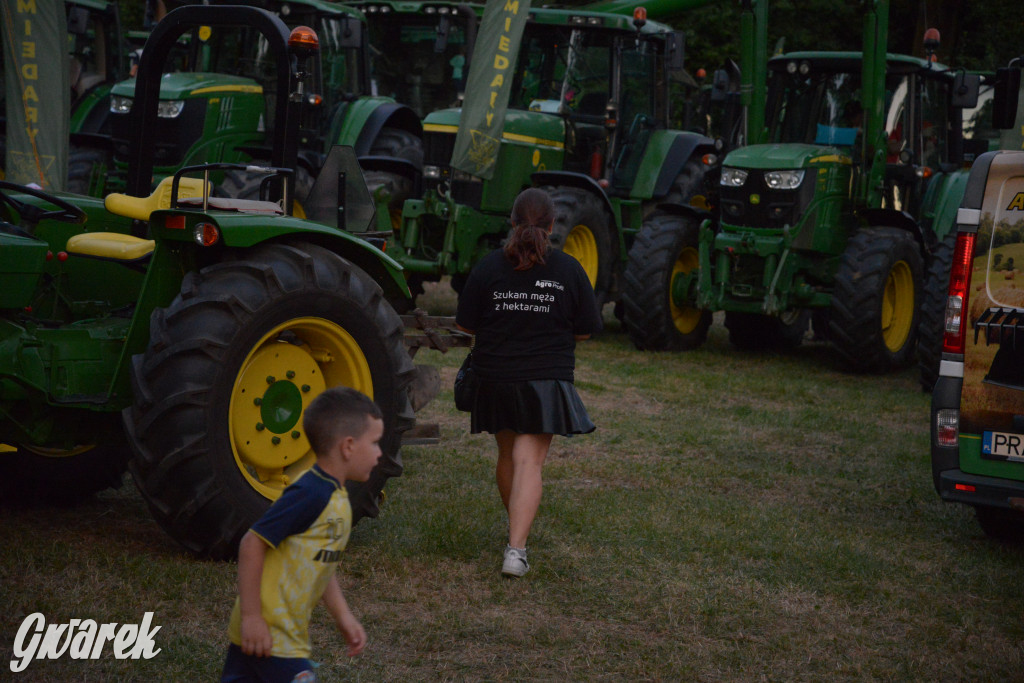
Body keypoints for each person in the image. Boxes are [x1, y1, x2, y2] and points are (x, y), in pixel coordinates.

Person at [455, 187, 603, 578]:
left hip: (495, 377)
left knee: (509, 456)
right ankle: (516, 550)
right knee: (529, 461)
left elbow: (465, 325)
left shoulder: (488, 267)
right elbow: (586, 331)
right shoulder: (570, 270)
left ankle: (516, 535)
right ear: (553, 225)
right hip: (544, 381)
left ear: (512, 222)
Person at [220, 387, 383, 682]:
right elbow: (252, 544)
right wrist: (252, 618)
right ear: (348, 446)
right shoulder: (309, 492)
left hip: (276, 636)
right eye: (374, 443)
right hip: (272, 636)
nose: (379, 453)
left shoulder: (337, 497)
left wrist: (343, 617)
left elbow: (320, 563)